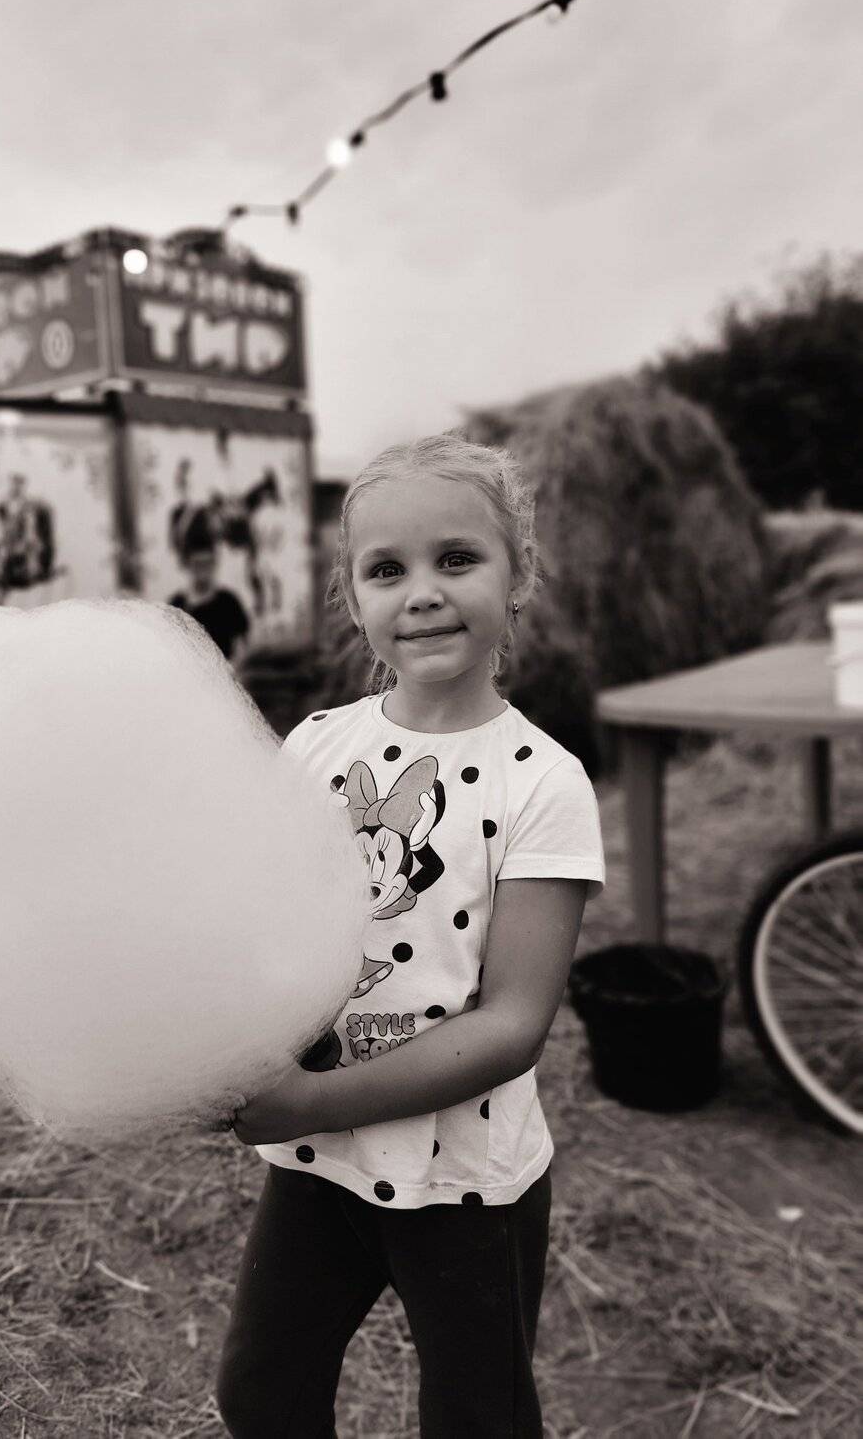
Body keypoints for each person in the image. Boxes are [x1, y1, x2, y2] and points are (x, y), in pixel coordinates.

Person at [215, 433, 605, 1438]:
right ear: (352, 599)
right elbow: (262, 931)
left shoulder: (543, 782)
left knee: (479, 1417)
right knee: (261, 1393)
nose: (422, 593)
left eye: (457, 559)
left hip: (467, 1182)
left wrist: (309, 1098)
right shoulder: (316, 747)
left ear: (518, 575)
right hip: (318, 1166)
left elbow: (512, 1024)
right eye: (386, 570)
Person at [168, 510, 251, 669]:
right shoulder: (176, 606)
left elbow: (244, 646)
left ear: (214, 563)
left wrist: (230, 671)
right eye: (198, 564)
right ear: (188, 564)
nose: (203, 571)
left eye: (207, 564)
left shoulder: (229, 602)